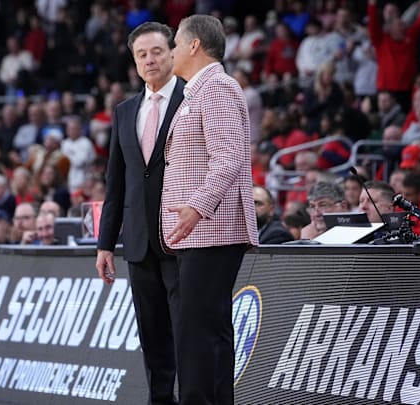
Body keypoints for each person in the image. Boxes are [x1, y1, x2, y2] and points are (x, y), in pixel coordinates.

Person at [161, 15, 258, 404]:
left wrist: (197, 208)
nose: (171, 52)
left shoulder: (216, 87)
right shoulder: (196, 92)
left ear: (194, 45)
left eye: (175, 43)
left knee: (198, 332)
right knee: (205, 330)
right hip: (198, 232)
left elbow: (229, 157)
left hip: (211, 230)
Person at [96, 21, 184, 405]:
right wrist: (104, 245)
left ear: (172, 53)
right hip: (138, 241)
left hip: (184, 237)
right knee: (152, 335)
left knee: (188, 333)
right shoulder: (124, 110)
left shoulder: (193, 97)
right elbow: (116, 183)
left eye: (157, 51)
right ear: (134, 61)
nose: (150, 60)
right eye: (142, 54)